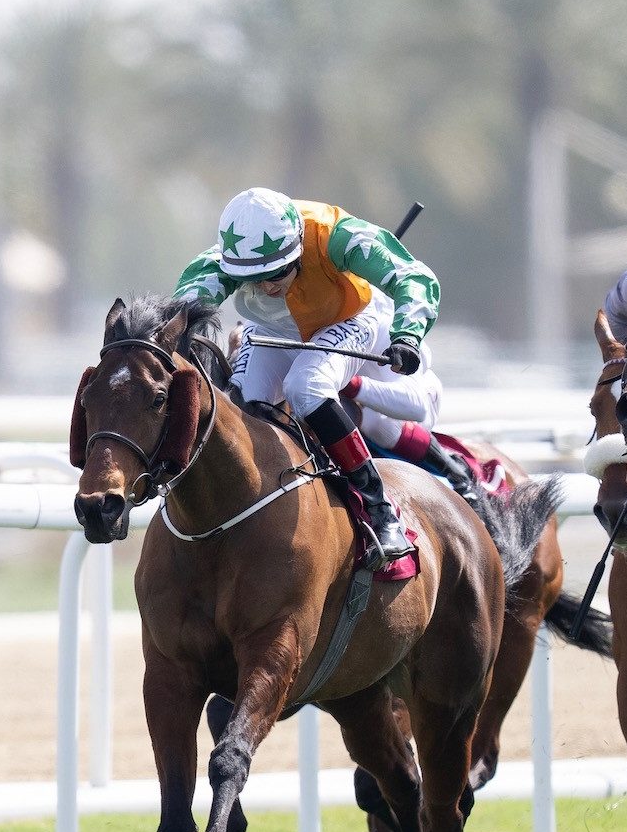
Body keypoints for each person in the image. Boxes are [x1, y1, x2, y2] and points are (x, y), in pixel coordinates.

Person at [175, 188, 441, 567]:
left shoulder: (337, 236)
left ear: (299, 243)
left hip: (346, 319)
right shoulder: (224, 256)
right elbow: (176, 319)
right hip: (270, 327)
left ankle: (379, 510)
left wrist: (408, 335)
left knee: (305, 386)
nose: (268, 286)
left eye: (277, 273)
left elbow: (413, 276)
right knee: (239, 405)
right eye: (254, 277)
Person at [339, 339, 483, 506]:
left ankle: (457, 475)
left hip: (415, 398)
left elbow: (417, 408)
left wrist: (346, 383)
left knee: (377, 423)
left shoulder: (385, 323)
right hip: (358, 400)